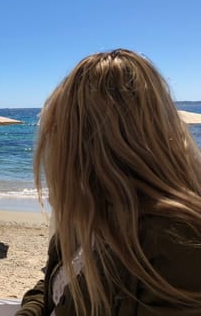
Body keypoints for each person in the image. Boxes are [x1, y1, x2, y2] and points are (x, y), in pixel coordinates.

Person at [17, 49, 201, 316]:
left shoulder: (175, 240)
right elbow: (54, 284)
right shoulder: (90, 211)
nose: (52, 149)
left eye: (57, 131)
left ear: (87, 143)